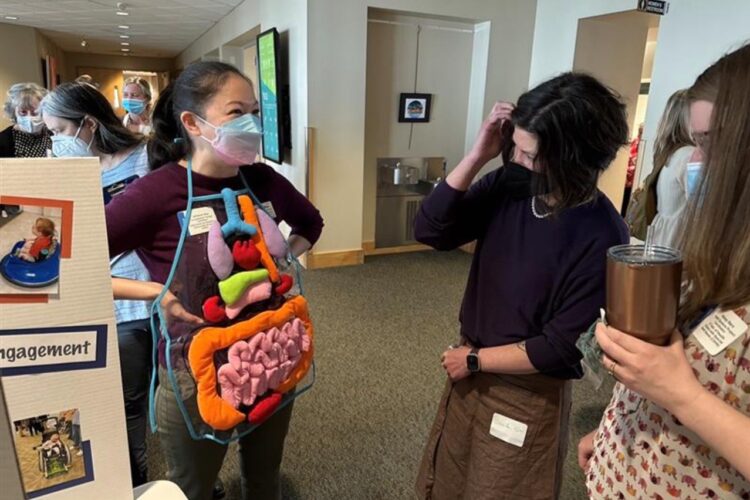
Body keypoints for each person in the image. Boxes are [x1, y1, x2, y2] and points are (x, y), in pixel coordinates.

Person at [105, 61, 323, 500]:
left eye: (255, 112)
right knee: (193, 487)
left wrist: (285, 264)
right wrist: (155, 294)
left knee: (264, 478)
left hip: (267, 350)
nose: (252, 124)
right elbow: (71, 265)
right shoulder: (156, 192)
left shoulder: (261, 179)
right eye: (236, 112)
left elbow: (310, 223)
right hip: (195, 368)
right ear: (192, 123)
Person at [413, 73, 629, 499]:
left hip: (523, 390)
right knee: (449, 481)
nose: (519, 160)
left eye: (532, 155)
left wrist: (474, 360)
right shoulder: (512, 184)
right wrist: (478, 154)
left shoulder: (603, 234)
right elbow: (430, 230)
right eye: (517, 148)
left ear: (574, 159)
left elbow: (560, 347)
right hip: (470, 367)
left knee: (501, 489)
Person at [578, 43, 750, 499]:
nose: (694, 165)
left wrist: (683, 396)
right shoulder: (721, 256)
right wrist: (618, 429)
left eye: (709, 146)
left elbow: (691, 391)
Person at [41, 81, 153, 487]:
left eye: (60, 131)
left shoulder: (145, 157)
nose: (55, 141)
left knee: (151, 394)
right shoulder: (71, 168)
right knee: (121, 397)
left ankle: (174, 475)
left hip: (147, 290)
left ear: (88, 123)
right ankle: (140, 477)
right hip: (100, 293)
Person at [645, 90, 695, 248]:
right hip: (678, 241)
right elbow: (701, 207)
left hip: (662, 237)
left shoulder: (670, 154)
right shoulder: (690, 156)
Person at [1, 82, 52, 219]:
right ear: (14, 112)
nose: (30, 116)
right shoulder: (3, 141)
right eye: (23, 112)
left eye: (35, 112)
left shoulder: (55, 136)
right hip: (16, 209)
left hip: (52, 202)